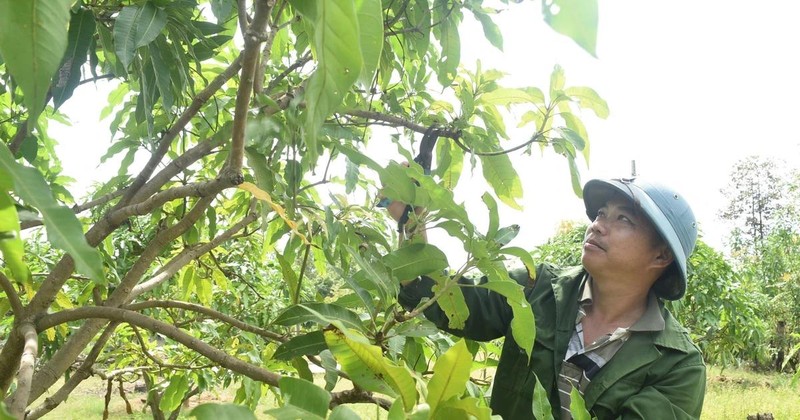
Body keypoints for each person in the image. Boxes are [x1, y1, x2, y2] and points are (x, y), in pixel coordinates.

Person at [390, 177, 706, 419]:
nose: (597, 226)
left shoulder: (678, 365)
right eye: (600, 213)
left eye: (623, 219)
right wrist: (414, 221)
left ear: (661, 255)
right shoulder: (536, 287)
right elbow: (449, 304)